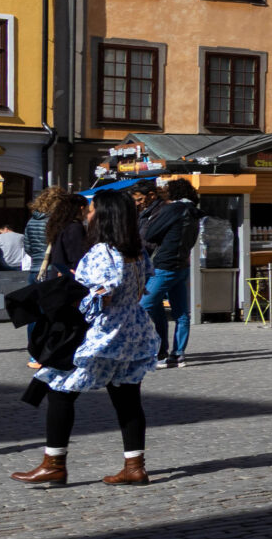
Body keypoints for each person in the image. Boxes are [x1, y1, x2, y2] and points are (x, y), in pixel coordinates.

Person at [10, 190, 161, 488]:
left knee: (60, 389)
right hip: (133, 329)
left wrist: (72, 298)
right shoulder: (138, 250)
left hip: (103, 334)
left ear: (104, 216)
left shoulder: (102, 252)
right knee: (128, 398)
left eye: (92, 209)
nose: (88, 214)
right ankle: (135, 466)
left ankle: (54, 463)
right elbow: (142, 288)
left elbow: (96, 298)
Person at [138, 178, 200, 369]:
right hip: (182, 265)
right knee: (181, 312)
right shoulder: (194, 212)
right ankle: (178, 354)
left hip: (164, 265)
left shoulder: (173, 209)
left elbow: (150, 234)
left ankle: (156, 352)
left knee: (143, 306)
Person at [43, 193, 93, 279]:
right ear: (82, 209)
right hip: (68, 275)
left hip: (57, 272)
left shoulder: (59, 225)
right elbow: (76, 255)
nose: (87, 213)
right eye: (87, 210)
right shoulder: (75, 228)